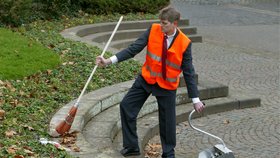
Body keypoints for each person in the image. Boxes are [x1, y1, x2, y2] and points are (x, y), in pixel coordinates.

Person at [96, 6, 204, 158]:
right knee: (126, 106)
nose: (161, 26)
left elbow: (189, 72)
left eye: (165, 23)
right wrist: (108, 61)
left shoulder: (185, 43)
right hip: (146, 79)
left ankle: (168, 153)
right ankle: (131, 146)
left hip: (167, 86)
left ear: (175, 24)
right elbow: (133, 49)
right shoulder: (153, 30)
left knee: (168, 122)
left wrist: (195, 99)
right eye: (160, 22)